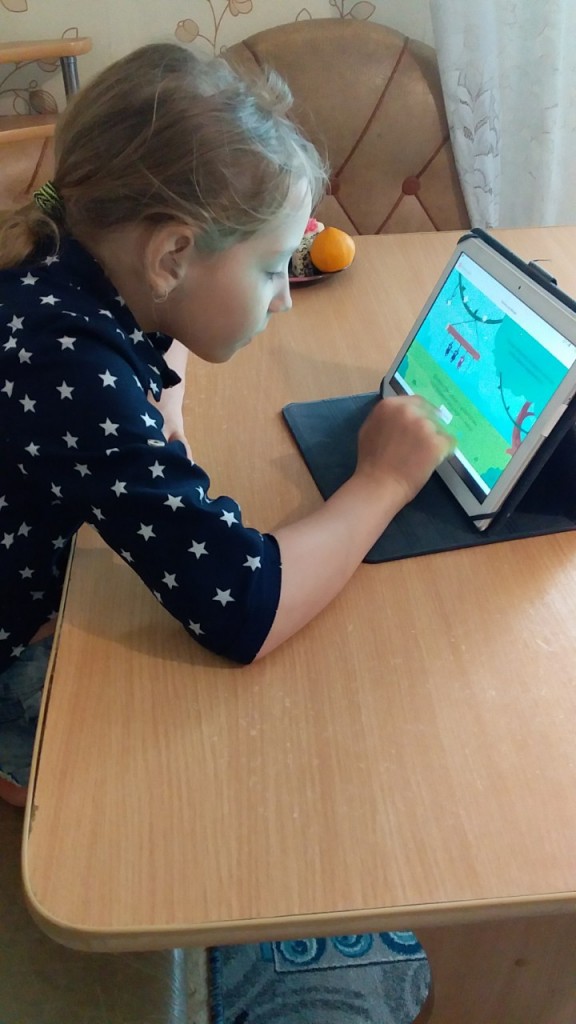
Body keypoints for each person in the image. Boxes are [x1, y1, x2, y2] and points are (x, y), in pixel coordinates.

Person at [0, 42, 453, 807]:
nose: (283, 297)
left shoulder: (64, 257)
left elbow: (157, 336)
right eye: (271, 267)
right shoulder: (69, 367)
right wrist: (382, 481)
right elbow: (242, 606)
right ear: (172, 255)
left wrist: (163, 406)